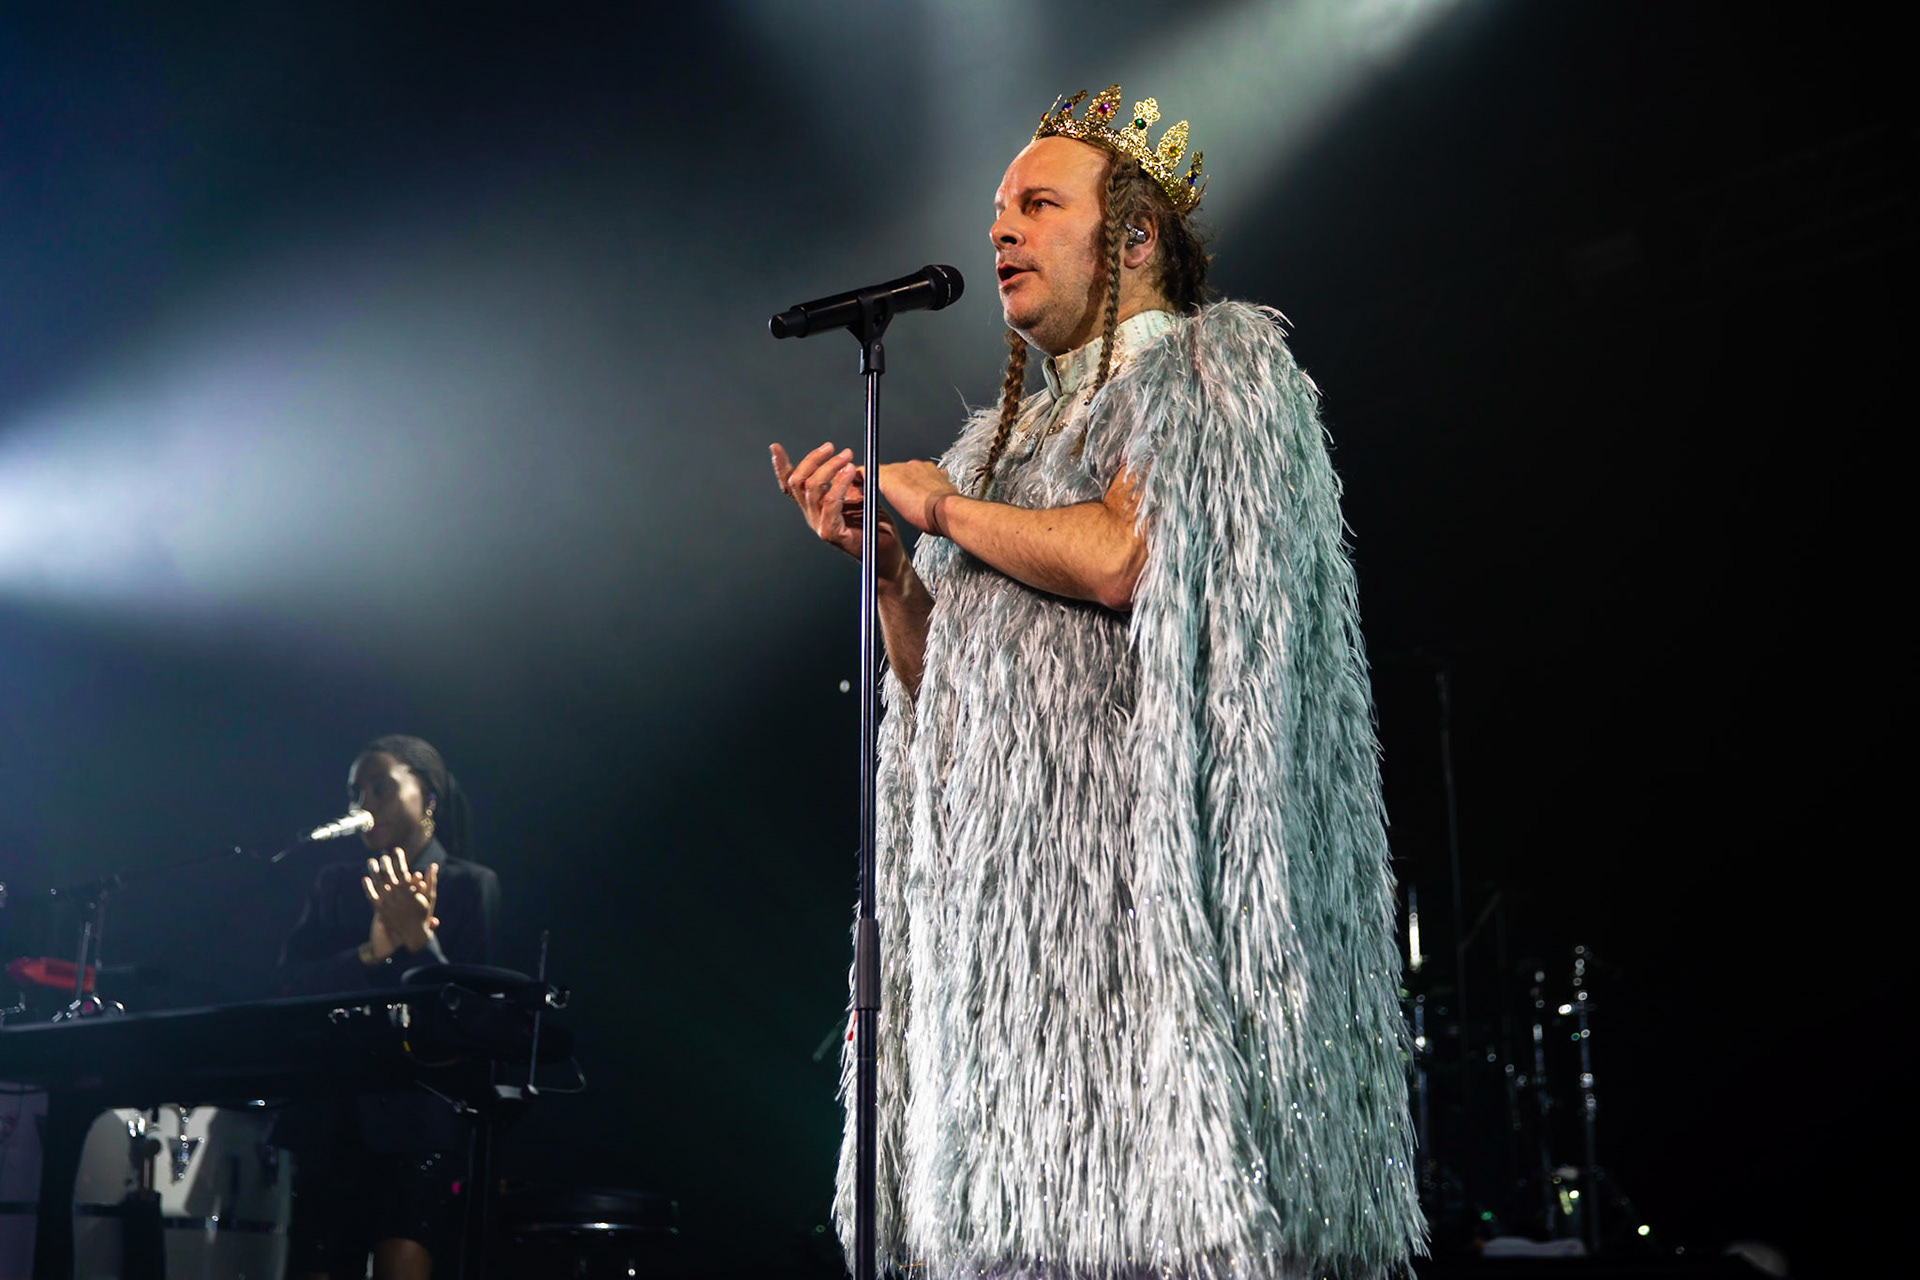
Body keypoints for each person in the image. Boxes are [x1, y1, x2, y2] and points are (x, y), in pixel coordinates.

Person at [771, 86, 1425, 1278]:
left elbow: (1131, 553)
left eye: (1035, 204)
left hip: (1143, 950)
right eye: (995, 210)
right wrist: (889, 577)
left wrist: (938, 505)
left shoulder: (1217, 376)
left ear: (1129, 236)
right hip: (1018, 965)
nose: (1000, 231)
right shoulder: (994, 450)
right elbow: (941, 709)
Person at [275, 734, 500, 1280]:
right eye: (356, 793)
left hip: (417, 1122)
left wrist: (422, 945)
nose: (364, 805)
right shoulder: (333, 885)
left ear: (429, 798)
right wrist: (370, 952)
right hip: (330, 1120)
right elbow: (287, 993)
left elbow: (472, 1018)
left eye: (381, 787)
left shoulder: (471, 886)